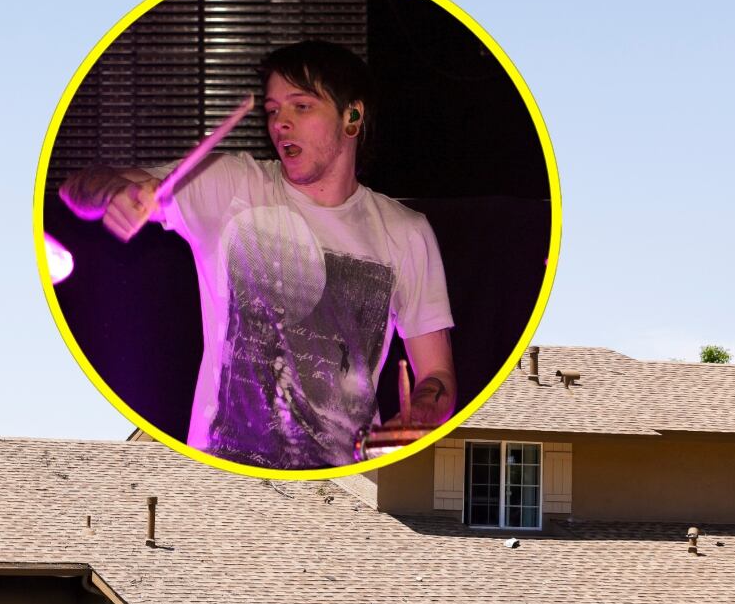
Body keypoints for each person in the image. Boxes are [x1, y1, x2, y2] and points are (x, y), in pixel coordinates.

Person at [61, 40, 456, 470]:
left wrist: (420, 416)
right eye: (272, 110)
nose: (281, 122)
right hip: (223, 480)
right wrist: (116, 192)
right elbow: (81, 185)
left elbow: (438, 375)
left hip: (345, 488)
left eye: (300, 107)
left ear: (352, 116)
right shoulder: (232, 185)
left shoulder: (404, 232)